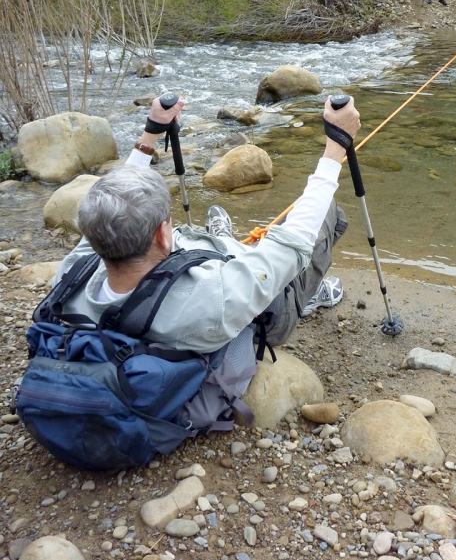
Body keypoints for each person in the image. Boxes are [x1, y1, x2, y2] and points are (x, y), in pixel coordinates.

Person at [50, 93, 360, 378]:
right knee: (325, 213)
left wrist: (152, 133)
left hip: (186, 282)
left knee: (249, 247)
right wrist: (336, 145)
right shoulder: (212, 301)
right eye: (169, 223)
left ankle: (222, 242)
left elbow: (110, 213)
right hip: (268, 308)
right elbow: (293, 243)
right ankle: (309, 295)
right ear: (163, 236)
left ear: (93, 235)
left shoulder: (70, 278)